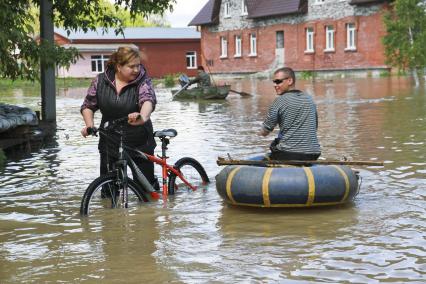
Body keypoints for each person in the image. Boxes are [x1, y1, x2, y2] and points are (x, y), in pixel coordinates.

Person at [80, 46, 158, 188]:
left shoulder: (143, 81)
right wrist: (89, 125)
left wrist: (142, 116)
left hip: (139, 141)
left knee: (146, 190)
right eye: (131, 66)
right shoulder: (100, 81)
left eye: (138, 66)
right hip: (110, 141)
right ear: (118, 67)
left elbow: (148, 100)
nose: (136, 70)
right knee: (109, 191)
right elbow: (88, 105)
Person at [259, 67, 321, 161]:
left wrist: (257, 134)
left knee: (274, 144)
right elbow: (314, 127)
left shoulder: (279, 101)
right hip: (314, 153)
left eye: (278, 81)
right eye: (274, 82)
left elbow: (265, 132)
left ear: (290, 81)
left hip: (289, 154)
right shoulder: (309, 99)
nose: (275, 85)